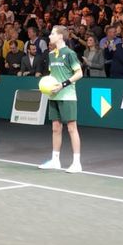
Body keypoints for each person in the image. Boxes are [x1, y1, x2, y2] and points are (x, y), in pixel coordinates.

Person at [39, 25, 83, 173]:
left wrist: (63, 85)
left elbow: (79, 73)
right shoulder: (51, 54)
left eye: (52, 34)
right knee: (55, 128)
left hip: (68, 95)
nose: (49, 36)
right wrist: (47, 85)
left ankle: (77, 163)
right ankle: (55, 160)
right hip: (54, 95)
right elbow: (52, 75)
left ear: (60, 36)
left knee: (71, 128)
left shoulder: (69, 53)